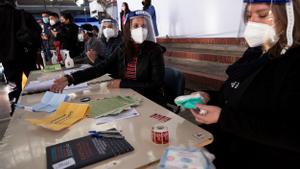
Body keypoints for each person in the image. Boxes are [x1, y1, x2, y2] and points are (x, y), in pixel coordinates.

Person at [190, 0, 300, 168]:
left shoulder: (293, 63)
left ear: (289, 17)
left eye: (262, 15)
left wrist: (223, 117)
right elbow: (234, 95)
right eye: (249, 16)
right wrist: (206, 96)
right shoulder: (256, 54)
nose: (252, 22)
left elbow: (291, 134)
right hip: (223, 149)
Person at [51, 10, 166, 105]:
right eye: (135, 26)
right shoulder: (123, 48)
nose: (140, 29)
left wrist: (122, 84)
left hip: (150, 100)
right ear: (128, 29)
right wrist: (71, 78)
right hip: (128, 96)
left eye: (143, 26)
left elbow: (156, 84)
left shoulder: (155, 50)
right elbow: (101, 68)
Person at [0, 0, 41, 115]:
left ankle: (17, 110)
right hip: (26, 56)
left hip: (7, 59)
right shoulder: (23, 15)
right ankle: (38, 107)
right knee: (33, 83)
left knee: (16, 85)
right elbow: (37, 33)